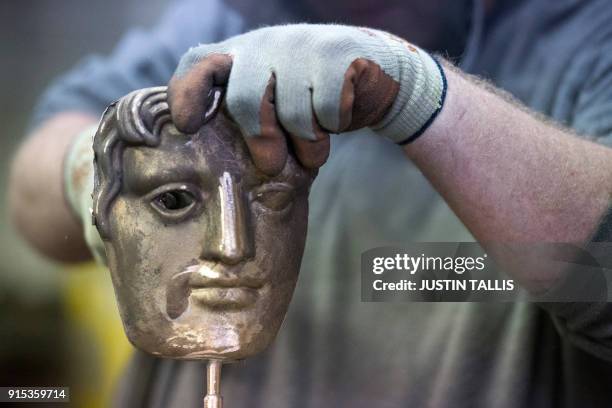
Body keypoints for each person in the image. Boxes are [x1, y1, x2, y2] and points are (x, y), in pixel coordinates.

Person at [8, 0, 612, 406]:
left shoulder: (585, 41)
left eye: (271, 198)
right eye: (175, 201)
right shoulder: (225, 19)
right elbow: (32, 193)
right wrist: (100, 160)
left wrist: (422, 97)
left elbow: (600, 277)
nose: (232, 247)